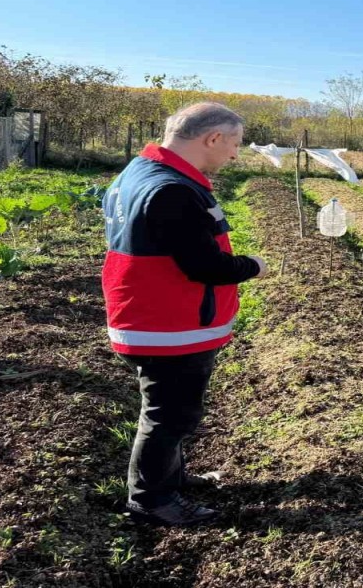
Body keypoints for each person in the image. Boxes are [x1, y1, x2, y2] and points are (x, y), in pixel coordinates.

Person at [101, 102, 267, 526]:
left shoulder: (139, 172)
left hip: (149, 313)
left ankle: (169, 478)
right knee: (169, 414)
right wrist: (254, 266)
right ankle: (152, 500)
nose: (235, 154)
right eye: (235, 144)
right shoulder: (172, 190)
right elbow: (204, 266)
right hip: (168, 324)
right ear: (213, 138)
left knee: (168, 410)